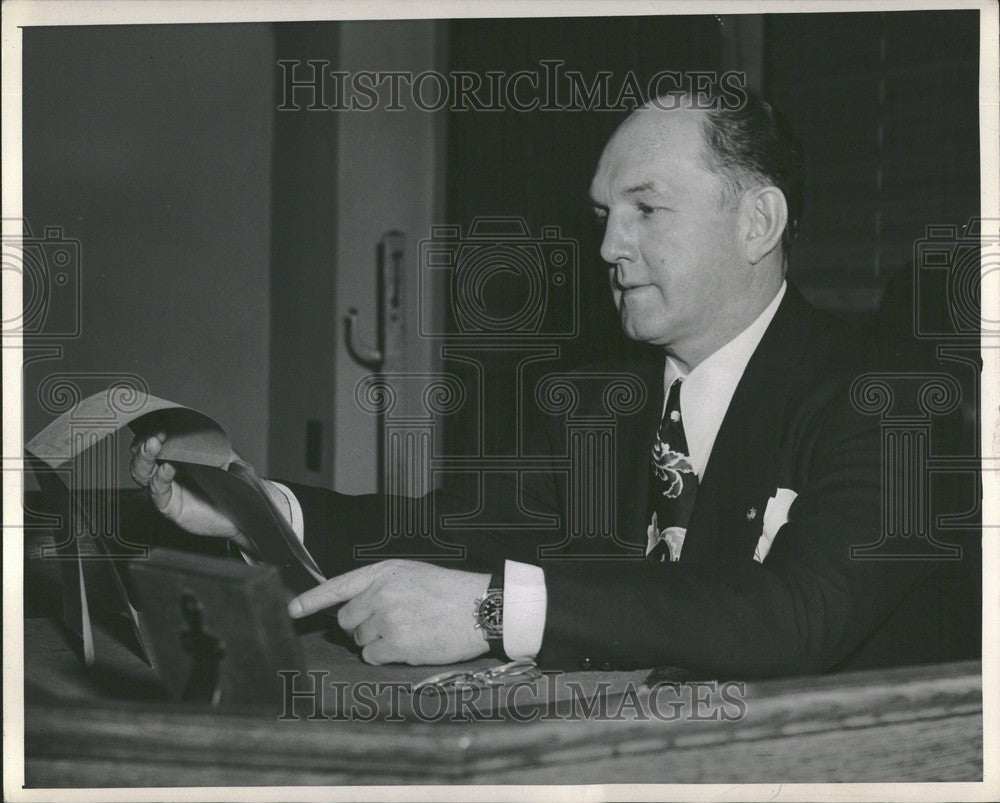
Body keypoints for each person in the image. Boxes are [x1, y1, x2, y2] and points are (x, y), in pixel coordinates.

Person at [131, 91, 976, 676]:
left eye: (647, 210)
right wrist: (263, 509)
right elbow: (451, 531)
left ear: (758, 221)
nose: (609, 247)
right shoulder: (604, 405)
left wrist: (497, 612)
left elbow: (794, 614)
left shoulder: (889, 393)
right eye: (605, 217)